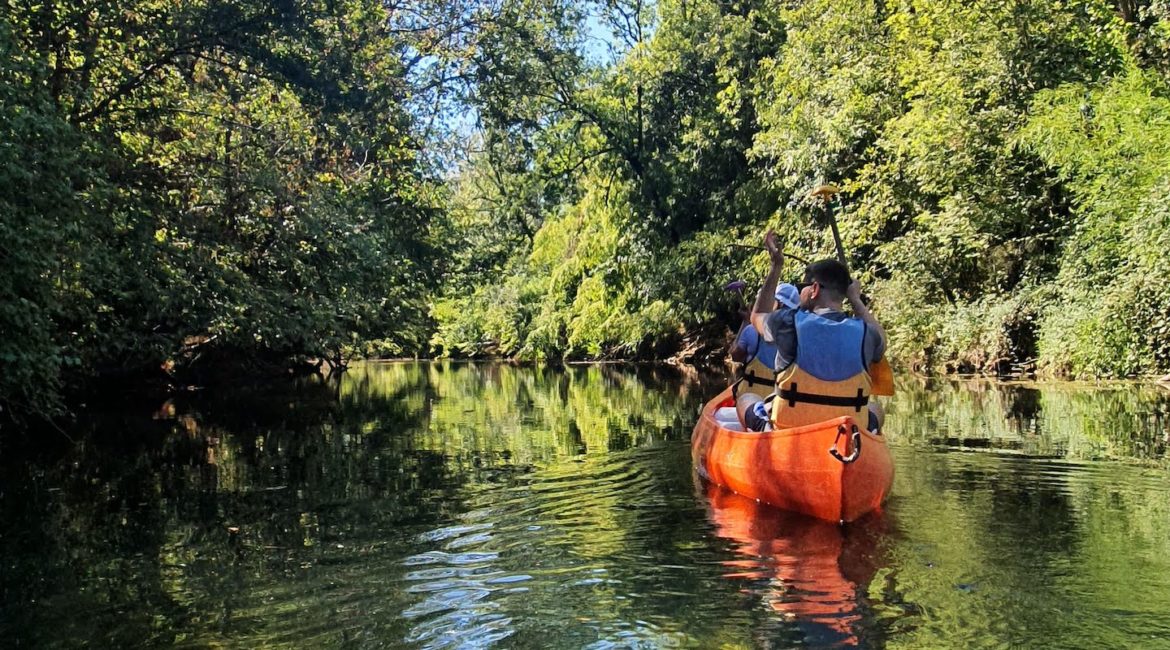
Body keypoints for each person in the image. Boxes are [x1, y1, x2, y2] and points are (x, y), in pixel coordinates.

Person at [737, 230, 887, 433]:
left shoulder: (788, 322)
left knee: (746, 398)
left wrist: (776, 266)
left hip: (788, 431)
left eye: (803, 286)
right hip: (845, 434)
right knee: (875, 408)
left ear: (814, 289)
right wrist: (856, 300)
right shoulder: (867, 334)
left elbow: (757, 316)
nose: (799, 292)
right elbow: (882, 341)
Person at [729, 283, 800, 398]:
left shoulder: (751, 330)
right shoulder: (801, 334)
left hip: (752, 398)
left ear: (779, 304)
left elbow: (735, 356)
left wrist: (746, 321)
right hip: (781, 403)